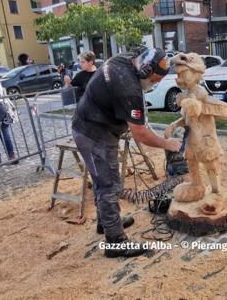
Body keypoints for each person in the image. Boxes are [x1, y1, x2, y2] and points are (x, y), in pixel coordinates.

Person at [72, 47, 180, 258]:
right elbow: (140, 133)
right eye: (154, 80)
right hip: (93, 133)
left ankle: (106, 223)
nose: (154, 84)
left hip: (97, 125)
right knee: (108, 186)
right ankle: (116, 241)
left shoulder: (128, 59)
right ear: (145, 70)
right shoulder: (129, 87)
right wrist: (168, 144)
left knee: (103, 181)